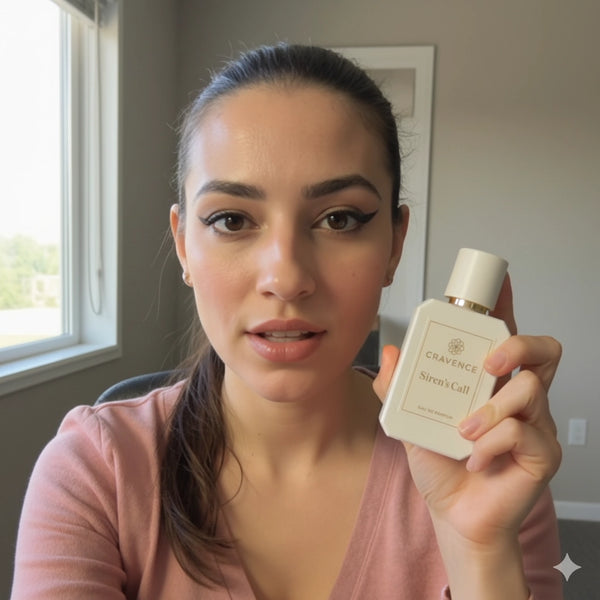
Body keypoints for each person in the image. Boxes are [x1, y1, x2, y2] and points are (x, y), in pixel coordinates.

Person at [11, 43, 564, 600]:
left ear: (394, 244)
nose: (286, 277)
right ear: (183, 245)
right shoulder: (95, 472)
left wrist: (479, 551)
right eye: (232, 220)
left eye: (338, 219)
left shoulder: (486, 469)